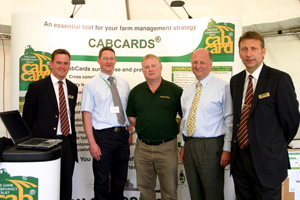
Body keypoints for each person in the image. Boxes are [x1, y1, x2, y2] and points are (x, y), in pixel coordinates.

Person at [230, 31, 300, 200]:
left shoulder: (279, 79)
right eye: (244, 49)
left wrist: (273, 145)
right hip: (241, 159)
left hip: (268, 161)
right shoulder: (236, 81)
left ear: (263, 51)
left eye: (253, 48)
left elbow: (291, 120)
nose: (249, 53)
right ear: (239, 52)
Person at [23, 48, 78, 200]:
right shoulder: (37, 87)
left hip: (67, 143)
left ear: (69, 65)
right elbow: (27, 119)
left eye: (66, 63)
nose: (62, 66)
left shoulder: (73, 87)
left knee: (66, 186)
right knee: (46, 186)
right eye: (59, 62)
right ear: (51, 64)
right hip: (44, 144)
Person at [126, 54, 182, 200]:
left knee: (169, 192)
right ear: (142, 70)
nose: (150, 69)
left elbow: (185, 116)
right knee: (145, 192)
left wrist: (172, 128)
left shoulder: (175, 90)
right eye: (146, 67)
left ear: (161, 67)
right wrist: (144, 126)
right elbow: (131, 116)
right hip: (142, 149)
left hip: (167, 148)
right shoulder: (136, 92)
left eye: (154, 66)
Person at [179, 48, 233, 200]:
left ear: (210, 64)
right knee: (195, 194)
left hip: (211, 146)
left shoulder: (223, 87)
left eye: (202, 62)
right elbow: (185, 120)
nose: (198, 66)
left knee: (212, 194)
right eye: (194, 62)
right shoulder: (188, 90)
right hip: (190, 146)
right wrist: (183, 145)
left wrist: (227, 149)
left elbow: (229, 119)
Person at [81, 46, 133, 200]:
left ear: (115, 61)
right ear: (99, 61)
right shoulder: (91, 85)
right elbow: (86, 115)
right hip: (102, 137)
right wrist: (92, 143)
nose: (108, 61)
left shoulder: (124, 83)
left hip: (123, 135)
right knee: (102, 180)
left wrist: (129, 132)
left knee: (120, 179)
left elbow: (127, 110)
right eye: (105, 58)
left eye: (111, 58)